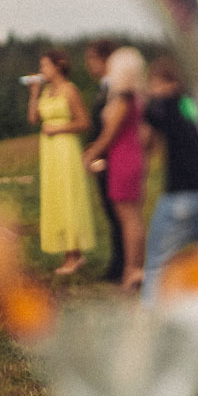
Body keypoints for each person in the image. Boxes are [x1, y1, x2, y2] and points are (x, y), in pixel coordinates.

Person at [141, 57, 198, 305]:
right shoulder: (193, 105)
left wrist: (150, 96)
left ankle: (150, 317)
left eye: (153, 83)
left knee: (157, 263)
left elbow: (147, 124)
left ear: (164, 82)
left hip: (181, 197)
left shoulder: (164, 104)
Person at [82, 46, 147, 291]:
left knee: (129, 218)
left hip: (122, 157)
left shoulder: (123, 98)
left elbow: (112, 131)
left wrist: (93, 152)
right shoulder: (137, 97)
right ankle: (133, 268)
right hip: (131, 154)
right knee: (132, 217)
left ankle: (132, 269)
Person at [26, 49, 95, 275]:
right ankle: (69, 253)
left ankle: (74, 255)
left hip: (66, 149)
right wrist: (34, 94)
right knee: (55, 197)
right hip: (50, 153)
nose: (42, 70)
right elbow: (33, 119)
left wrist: (59, 128)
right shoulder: (46, 91)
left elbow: (85, 122)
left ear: (57, 67)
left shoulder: (70, 90)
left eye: (45, 65)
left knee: (69, 198)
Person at [84, 39, 124, 283]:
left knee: (117, 214)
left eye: (92, 59)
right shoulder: (104, 87)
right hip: (103, 157)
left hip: (112, 158)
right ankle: (117, 262)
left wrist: (95, 151)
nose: (89, 65)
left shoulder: (115, 89)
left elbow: (110, 126)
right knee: (111, 213)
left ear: (105, 59)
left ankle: (121, 265)